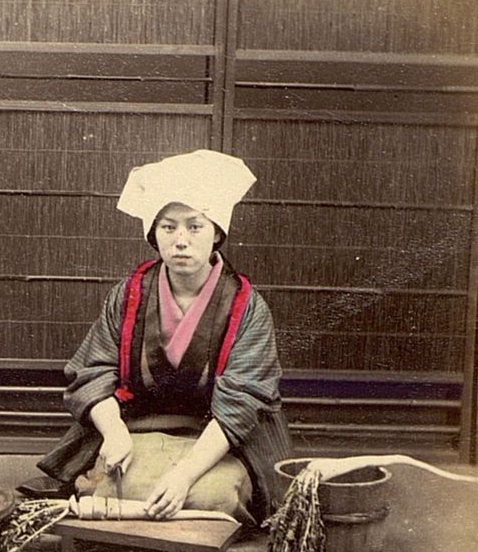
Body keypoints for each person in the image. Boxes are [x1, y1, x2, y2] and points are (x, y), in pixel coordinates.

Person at [36, 150, 293, 524]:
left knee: (211, 496)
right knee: (107, 486)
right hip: (138, 427)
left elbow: (243, 403)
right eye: (168, 227)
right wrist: (115, 433)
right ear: (154, 235)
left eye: (195, 226)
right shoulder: (129, 295)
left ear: (217, 232)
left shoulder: (246, 307)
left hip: (219, 439)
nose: (181, 240)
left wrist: (184, 475)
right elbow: (92, 372)